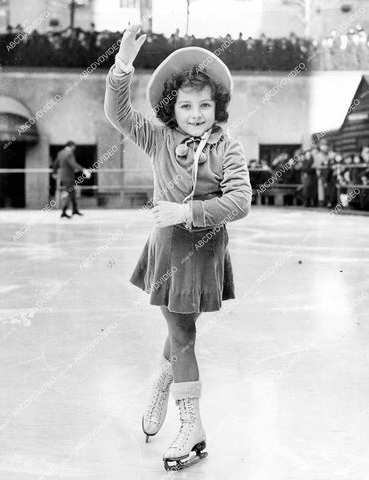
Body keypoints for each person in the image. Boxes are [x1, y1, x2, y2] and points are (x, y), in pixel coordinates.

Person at [104, 24, 252, 471]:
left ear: (216, 106)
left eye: (205, 105)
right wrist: (122, 65)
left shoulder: (228, 146)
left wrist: (187, 213)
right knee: (183, 333)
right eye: (186, 105)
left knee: (182, 331)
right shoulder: (161, 139)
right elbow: (120, 115)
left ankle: (162, 384)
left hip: (204, 251)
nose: (196, 113)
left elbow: (241, 200)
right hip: (166, 252)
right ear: (172, 108)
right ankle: (191, 424)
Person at [53, 141, 90, 218]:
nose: (74, 149)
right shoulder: (69, 154)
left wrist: (54, 172)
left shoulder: (61, 153)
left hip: (63, 176)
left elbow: (56, 163)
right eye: (74, 147)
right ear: (71, 146)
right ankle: (64, 211)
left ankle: (75, 210)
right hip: (69, 176)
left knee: (72, 192)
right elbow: (73, 163)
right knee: (71, 193)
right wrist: (83, 169)